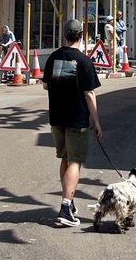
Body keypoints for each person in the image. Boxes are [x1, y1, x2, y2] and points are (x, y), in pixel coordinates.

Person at [42, 17, 102, 227]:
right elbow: (89, 93)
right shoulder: (85, 61)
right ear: (81, 36)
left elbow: (46, 86)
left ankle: (69, 198)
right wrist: (96, 121)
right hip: (76, 119)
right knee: (75, 160)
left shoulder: (53, 57)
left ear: (64, 35)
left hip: (56, 117)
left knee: (65, 159)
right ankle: (66, 207)